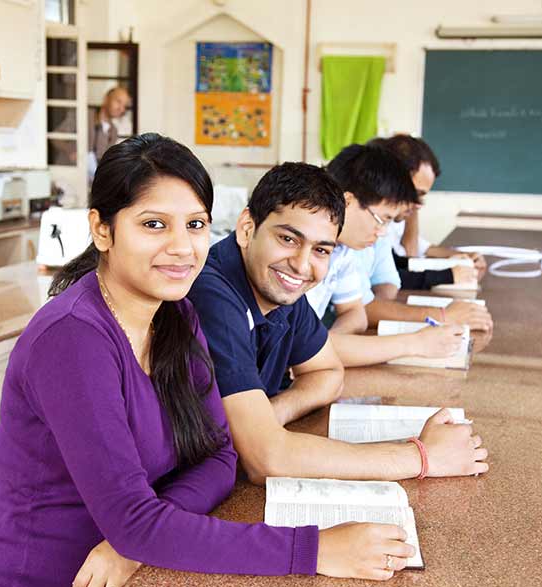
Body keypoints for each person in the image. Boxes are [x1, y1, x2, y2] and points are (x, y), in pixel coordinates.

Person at [0, 134, 418, 587]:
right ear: (101, 229)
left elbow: (221, 456)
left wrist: (137, 538)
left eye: (196, 225)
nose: (181, 248)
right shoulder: (73, 339)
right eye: (154, 225)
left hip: (140, 585)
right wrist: (316, 550)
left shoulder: (176, 315)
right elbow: (138, 521)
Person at [186, 161, 489, 486]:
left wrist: (272, 413)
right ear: (247, 228)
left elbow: (328, 373)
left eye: (320, 250)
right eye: (288, 239)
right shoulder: (213, 293)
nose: (302, 264)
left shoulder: (283, 289)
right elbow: (265, 459)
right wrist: (422, 457)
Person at [307, 143, 466, 367]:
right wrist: (415, 343)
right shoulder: (302, 253)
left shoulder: (342, 250)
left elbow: (356, 314)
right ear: (348, 202)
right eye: (382, 219)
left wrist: (329, 343)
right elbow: (302, 350)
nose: (383, 232)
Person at [367, 134, 487, 289]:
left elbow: (404, 258)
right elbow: (405, 260)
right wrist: (448, 275)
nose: (419, 203)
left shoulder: (390, 219)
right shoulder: (372, 220)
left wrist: (456, 258)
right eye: (415, 193)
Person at [87, 86, 131, 180]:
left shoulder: (113, 131)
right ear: (106, 99)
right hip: (71, 173)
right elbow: (56, 137)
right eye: (118, 102)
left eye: (124, 106)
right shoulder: (85, 115)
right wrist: (70, 150)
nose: (122, 109)